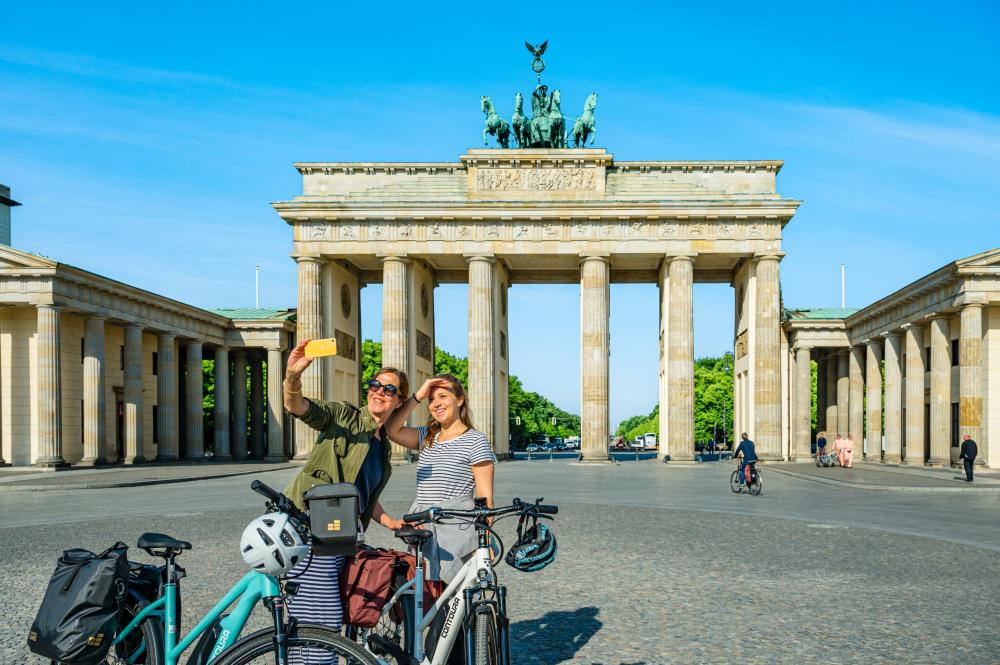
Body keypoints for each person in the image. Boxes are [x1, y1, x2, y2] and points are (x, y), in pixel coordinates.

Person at [281, 339, 409, 637]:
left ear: (399, 401)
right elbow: (297, 406)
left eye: (389, 389)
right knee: (322, 617)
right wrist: (292, 377)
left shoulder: (383, 446)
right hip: (309, 526)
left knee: (332, 611)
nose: (379, 392)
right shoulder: (342, 416)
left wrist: (389, 521)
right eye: (375, 385)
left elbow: (359, 493)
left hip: (340, 534)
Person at [386, 374, 496, 582]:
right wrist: (418, 395)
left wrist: (485, 541)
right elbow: (391, 429)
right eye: (432, 399)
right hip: (424, 527)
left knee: (458, 598)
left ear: (460, 400)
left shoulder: (475, 441)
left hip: (458, 529)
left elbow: (485, 498)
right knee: (426, 595)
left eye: (443, 396)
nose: (436, 404)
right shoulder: (426, 436)